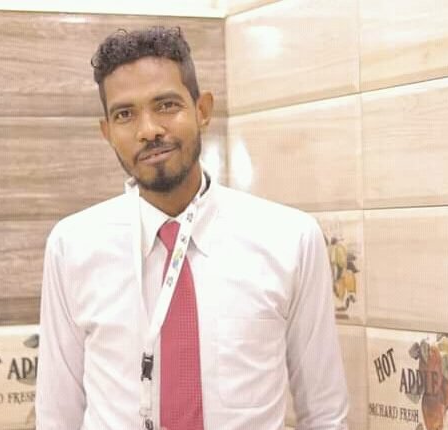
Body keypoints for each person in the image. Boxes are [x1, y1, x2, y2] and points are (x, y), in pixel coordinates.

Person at [36, 26, 349, 430]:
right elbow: (56, 417)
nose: (148, 129)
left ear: (202, 110)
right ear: (107, 132)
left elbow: (325, 415)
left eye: (166, 105)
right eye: (125, 114)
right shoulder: (73, 246)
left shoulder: (290, 239)